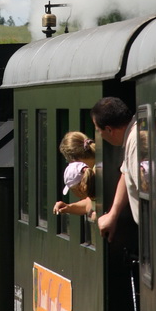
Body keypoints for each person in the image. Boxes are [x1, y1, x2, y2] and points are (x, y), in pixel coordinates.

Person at [90, 97, 136, 242]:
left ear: (109, 129)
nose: (100, 136)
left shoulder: (136, 142)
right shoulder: (133, 133)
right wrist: (113, 214)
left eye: (99, 131)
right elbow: (126, 172)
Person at [53, 132, 96, 218]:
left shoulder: (100, 171)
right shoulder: (94, 169)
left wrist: (96, 215)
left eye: (67, 160)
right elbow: (90, 203)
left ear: (74, 160)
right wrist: (68, 207)